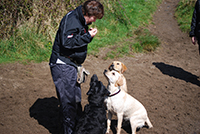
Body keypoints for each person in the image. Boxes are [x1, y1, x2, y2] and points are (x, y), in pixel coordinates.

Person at [49, 0, 104, 133]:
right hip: (62, 65)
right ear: (90, 14)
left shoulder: (80, 20)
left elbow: (75, 40)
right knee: (69, 104)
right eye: (95, 18)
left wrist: (87, 36)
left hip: (71, 64)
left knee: (76, 101)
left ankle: (76, 129)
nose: (94, 21)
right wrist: (87, 36)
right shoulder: (72, 20)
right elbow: (67, 43)